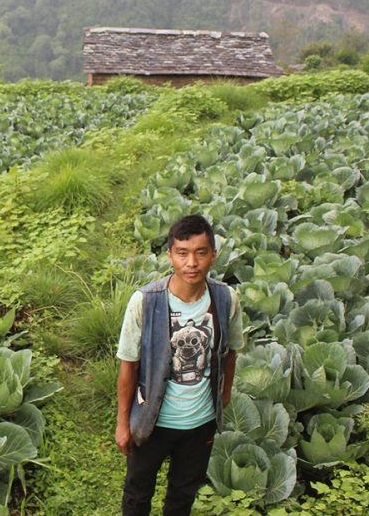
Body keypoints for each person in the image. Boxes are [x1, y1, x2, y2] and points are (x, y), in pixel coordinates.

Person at [115, 214, 244, 516]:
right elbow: (128, 366)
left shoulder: (226, 299)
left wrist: (222, 401)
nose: (192, 263)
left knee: (183, 494)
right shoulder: (145, 301)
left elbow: (231, 353)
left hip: (200, 424)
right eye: (182, 253)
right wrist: (123, 424)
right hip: (152, 423)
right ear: (170, 255)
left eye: (201, 252)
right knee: (137, 493)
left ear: (213, 255)